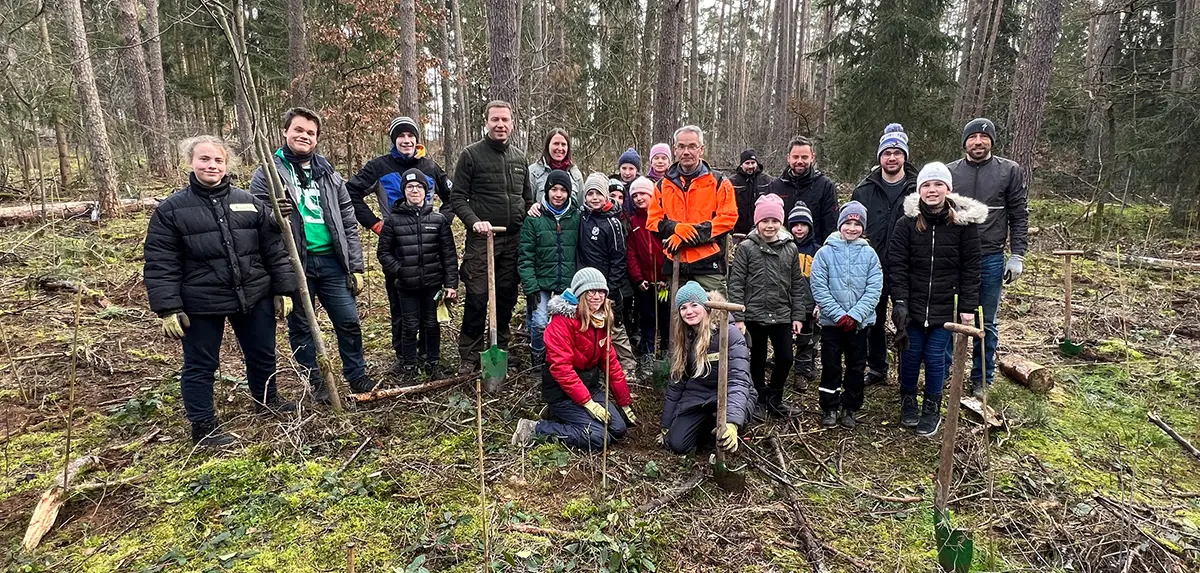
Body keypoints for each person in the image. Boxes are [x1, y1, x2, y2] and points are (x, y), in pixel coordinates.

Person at [144, 136, 297, 446]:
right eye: (204, 159)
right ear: (191, 163)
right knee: (201, 364)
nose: (211, 165)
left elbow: (273, 250)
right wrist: (168, 307)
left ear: (226, 165)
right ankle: (203, 426)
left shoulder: (249, 202)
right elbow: (161, 262)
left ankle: (267, 401)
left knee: (262, 353)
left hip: (254, 293)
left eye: (217, 160)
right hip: (201, 300)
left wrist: (284, 288)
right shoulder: (172, 210)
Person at [249, 107, 374, 399]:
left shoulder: (328, 173)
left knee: (348, 320)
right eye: (299, 130)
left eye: (310, 133)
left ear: (316, 138)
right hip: (295, 263)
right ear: (285, 131)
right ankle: (316, 383)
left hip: (332, 261)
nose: (304, 136)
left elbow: (347, 219)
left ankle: (356, 375)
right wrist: (273, 216)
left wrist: (355, 266)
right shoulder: (268, 172)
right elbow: (256, 221)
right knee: (302, 327)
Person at [345, 115, 453, 375]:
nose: (406, 140)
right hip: (396, 244)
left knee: (430, 308)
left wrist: (441, 222)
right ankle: (405, 357)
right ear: (394, 140)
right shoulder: (379, 166)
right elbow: (351, 192)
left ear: (417, 139)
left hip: (429, 246)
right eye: (401, 136)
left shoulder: (430, 167)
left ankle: (430, 357)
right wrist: (375, 223)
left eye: (410, 136)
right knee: (400, 305)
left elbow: (453, 197)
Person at [889, 162, 984, 436]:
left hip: (945, 306)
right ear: (919, 190)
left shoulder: (963, 226)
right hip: (914, 306)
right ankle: (908, 400)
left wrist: (967, 306)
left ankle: (932, 406)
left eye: (937, 185)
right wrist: (900, 301)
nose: (932, 190)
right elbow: (897, 264)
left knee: (934, 358)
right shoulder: (906, 224)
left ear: (948, 189)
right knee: (910, 354)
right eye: (926, 185)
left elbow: (971, 267)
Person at [947, 118, 1029, 398]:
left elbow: (1019, 215)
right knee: (949, 315)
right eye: (972, 137)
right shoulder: (951, 173)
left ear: (992, 141)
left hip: (990, 256)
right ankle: (946, 371)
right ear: (965, 142)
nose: (978, 142)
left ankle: (982, 378)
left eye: (984, 137)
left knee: (986, 321)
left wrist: (1017, 254)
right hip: (953, 257)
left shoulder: (1009, 171)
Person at [511, 268, 637, 450]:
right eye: (591, 291)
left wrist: (624, 403)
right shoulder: (562, 322)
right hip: (563, 393)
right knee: (598, 438)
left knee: (618, 428)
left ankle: (560, 417)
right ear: (580, 294)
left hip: (589, 387)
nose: (597, 296)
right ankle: (535, 429)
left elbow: (611, 365)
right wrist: (588, 403)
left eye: (601, 291)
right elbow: (561, 369)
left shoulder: (601, 319)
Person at [450, 100, 533, 376]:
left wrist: (525, 218)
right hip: (482, 240)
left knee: (507, 297)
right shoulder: (471, 155)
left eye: (505, 120)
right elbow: (458, 198)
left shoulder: (520, 158)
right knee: (477, 296)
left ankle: (501, 348)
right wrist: (475, 223)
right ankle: (470, 354)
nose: (500, 124)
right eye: (495, 119)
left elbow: (527, 197)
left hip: (513, 240)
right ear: (486, 122)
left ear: (512, 123)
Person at [729, 194, 812, 419]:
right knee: (756, 358)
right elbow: (736, 282)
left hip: (782, 314)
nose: (770, 225)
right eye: (765, 221)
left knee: (785, 358)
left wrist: (798, 315)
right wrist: (738, 317)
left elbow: (796, 283)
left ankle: (775, 397)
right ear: (757, 222)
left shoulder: (790, 248)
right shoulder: (746, 247)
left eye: (774, 221)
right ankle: (758, 397)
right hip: (753, 314)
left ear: (781, 222)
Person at [850, 123, 918, 386]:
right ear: (879, 157)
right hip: (871, 266)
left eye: (897, 152)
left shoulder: (917, 188)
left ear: (904, 157)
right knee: (872, 320)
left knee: (905, 319)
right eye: (887, 152)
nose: (892, 157)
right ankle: (877, 368)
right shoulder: (864, 190)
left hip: (907, 267)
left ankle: (906, 375)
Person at [377, 168, 459, 379]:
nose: (415, 191)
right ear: (404, 191)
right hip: (406, 286)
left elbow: (449, 254)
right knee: (409, 325)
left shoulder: (438, 220)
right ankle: (409, 366)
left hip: (432, 283)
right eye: (410, 187)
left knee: (432, 324)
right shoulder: (393, 221)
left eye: (419, 187)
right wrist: (400, 271)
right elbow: (383, 252)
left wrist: (451, 284)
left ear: (426, 191)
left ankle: (432, 363)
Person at [809, 201, 882, 429]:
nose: (852, 228)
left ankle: (850, 407)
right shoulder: (825, 253)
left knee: (856, 366)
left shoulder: (870, 255)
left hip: (858, 325)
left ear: (863, 227)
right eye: (847, 223)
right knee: (831, 365)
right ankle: (829, 406)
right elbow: (819, 286)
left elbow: (874, 288)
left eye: (856, 224)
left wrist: (856, 315)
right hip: (832, 324)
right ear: (840, 224)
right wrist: (839, 315)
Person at [660, 282, 755, 454]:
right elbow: (677, 383)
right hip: (699, 394)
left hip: (727, 392)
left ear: (706, 306)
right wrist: (666, 425)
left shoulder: (729, 333)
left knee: (726, 438)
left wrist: (732, 422)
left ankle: (733, 426)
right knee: (677, 444)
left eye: (694, 305)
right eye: (683, 308)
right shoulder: (684, 336)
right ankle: (705, 427)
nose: (689, 311)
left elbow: (739, 380)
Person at [647, 125, 738, 294]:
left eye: (692, 146)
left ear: (701, 149)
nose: (686, 151)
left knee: (715, 316)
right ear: (675, 150)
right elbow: (653, 222)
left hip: (708, 263)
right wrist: (675, 228)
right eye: (681, 146)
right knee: (678, 317)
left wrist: (688, 235)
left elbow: (728, 220)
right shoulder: (662, 185)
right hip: (674, 261)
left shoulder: (719, 182)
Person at [577, 173, 637, 377]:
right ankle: (594, 364)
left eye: (599, 194)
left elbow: (619, 259)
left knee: (614, 325)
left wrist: (611, 289)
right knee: (588, 324)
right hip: (585, 285)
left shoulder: (612, 224)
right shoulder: (582, 217)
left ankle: (628, 365)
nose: (594, 198)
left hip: (606, 287)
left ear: (606, 197)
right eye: (590, 193)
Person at [518, 170, 580, 366]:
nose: (558, 194)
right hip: (541, 282)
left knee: (568, 325)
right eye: (554, 189)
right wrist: (531, 287)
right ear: (547, 191)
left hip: (568, 282)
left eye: (563, 190)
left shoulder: (577, 217)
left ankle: (562, 360)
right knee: (539, 322)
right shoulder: (534, 219)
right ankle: (538, 357)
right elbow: (525, 257)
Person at [627, 176, 668, 375]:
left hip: (663, 284)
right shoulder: (633, 221)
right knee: (648, 319)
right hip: (645, 283)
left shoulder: (662, 218)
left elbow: (669, 248)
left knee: (667, 319)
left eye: (643, 194)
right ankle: (647, 357)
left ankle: (668, 355)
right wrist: (637, 278)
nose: (639, 198)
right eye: (635, 195)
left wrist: (666, 278)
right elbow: (631, 252)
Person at [769, 137, 839, 241]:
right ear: (788, 158)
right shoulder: (776, 186)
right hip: (782, 249)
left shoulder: (825, 186)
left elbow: (831, 225)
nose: (800, 161)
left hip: (814, 250)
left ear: (812, 157)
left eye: (804, 157)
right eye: (795, 157)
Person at [787, 202, 821, 385]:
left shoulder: (817, 250)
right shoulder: (785, 247)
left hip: (809, 304)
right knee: (786, 337)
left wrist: (819, 303)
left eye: (803, 225)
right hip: (787, 303)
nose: (799, 229)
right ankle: (784, 363)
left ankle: (803, 370)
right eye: (795, 225)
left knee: (807, 341)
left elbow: (823, 279)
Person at [528, 128, 585, 205]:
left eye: (563, 144)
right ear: (548, 145)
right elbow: (527, 204)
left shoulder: (575, 174)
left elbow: (581, 207)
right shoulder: (533, 172)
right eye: (556, 144)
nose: (560, 148)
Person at [731, 148, 776, 236]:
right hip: (738, 231)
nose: (750, 166)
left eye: (753, 163)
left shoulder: (767, 181)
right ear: (741, 165)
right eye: (747, 163)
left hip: (761, 230)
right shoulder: (732, 182)